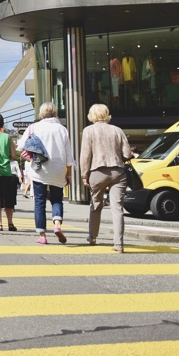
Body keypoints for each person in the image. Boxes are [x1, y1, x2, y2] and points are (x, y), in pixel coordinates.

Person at [17, 102, 74, 245]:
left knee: (39, 202)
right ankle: (57, 225)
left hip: (39, 169)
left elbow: (21, 145)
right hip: (58, 169)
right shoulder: (62, 129)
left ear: (41, 113)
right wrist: (69, 174)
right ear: (55, 112)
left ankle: (42, 235)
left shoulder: (34, 127)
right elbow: (69, 155)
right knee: (56, 199)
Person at [80, 103, 133, 252]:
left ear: (92, 115)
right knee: (117, 208)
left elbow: (85, 155)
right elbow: (127, 154)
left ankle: (92, 237)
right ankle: (119, 244)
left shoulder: (88, 131)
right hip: (118, 172)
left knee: (96, 205)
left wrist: (84, 175)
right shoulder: (117, 130)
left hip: (97, 171)